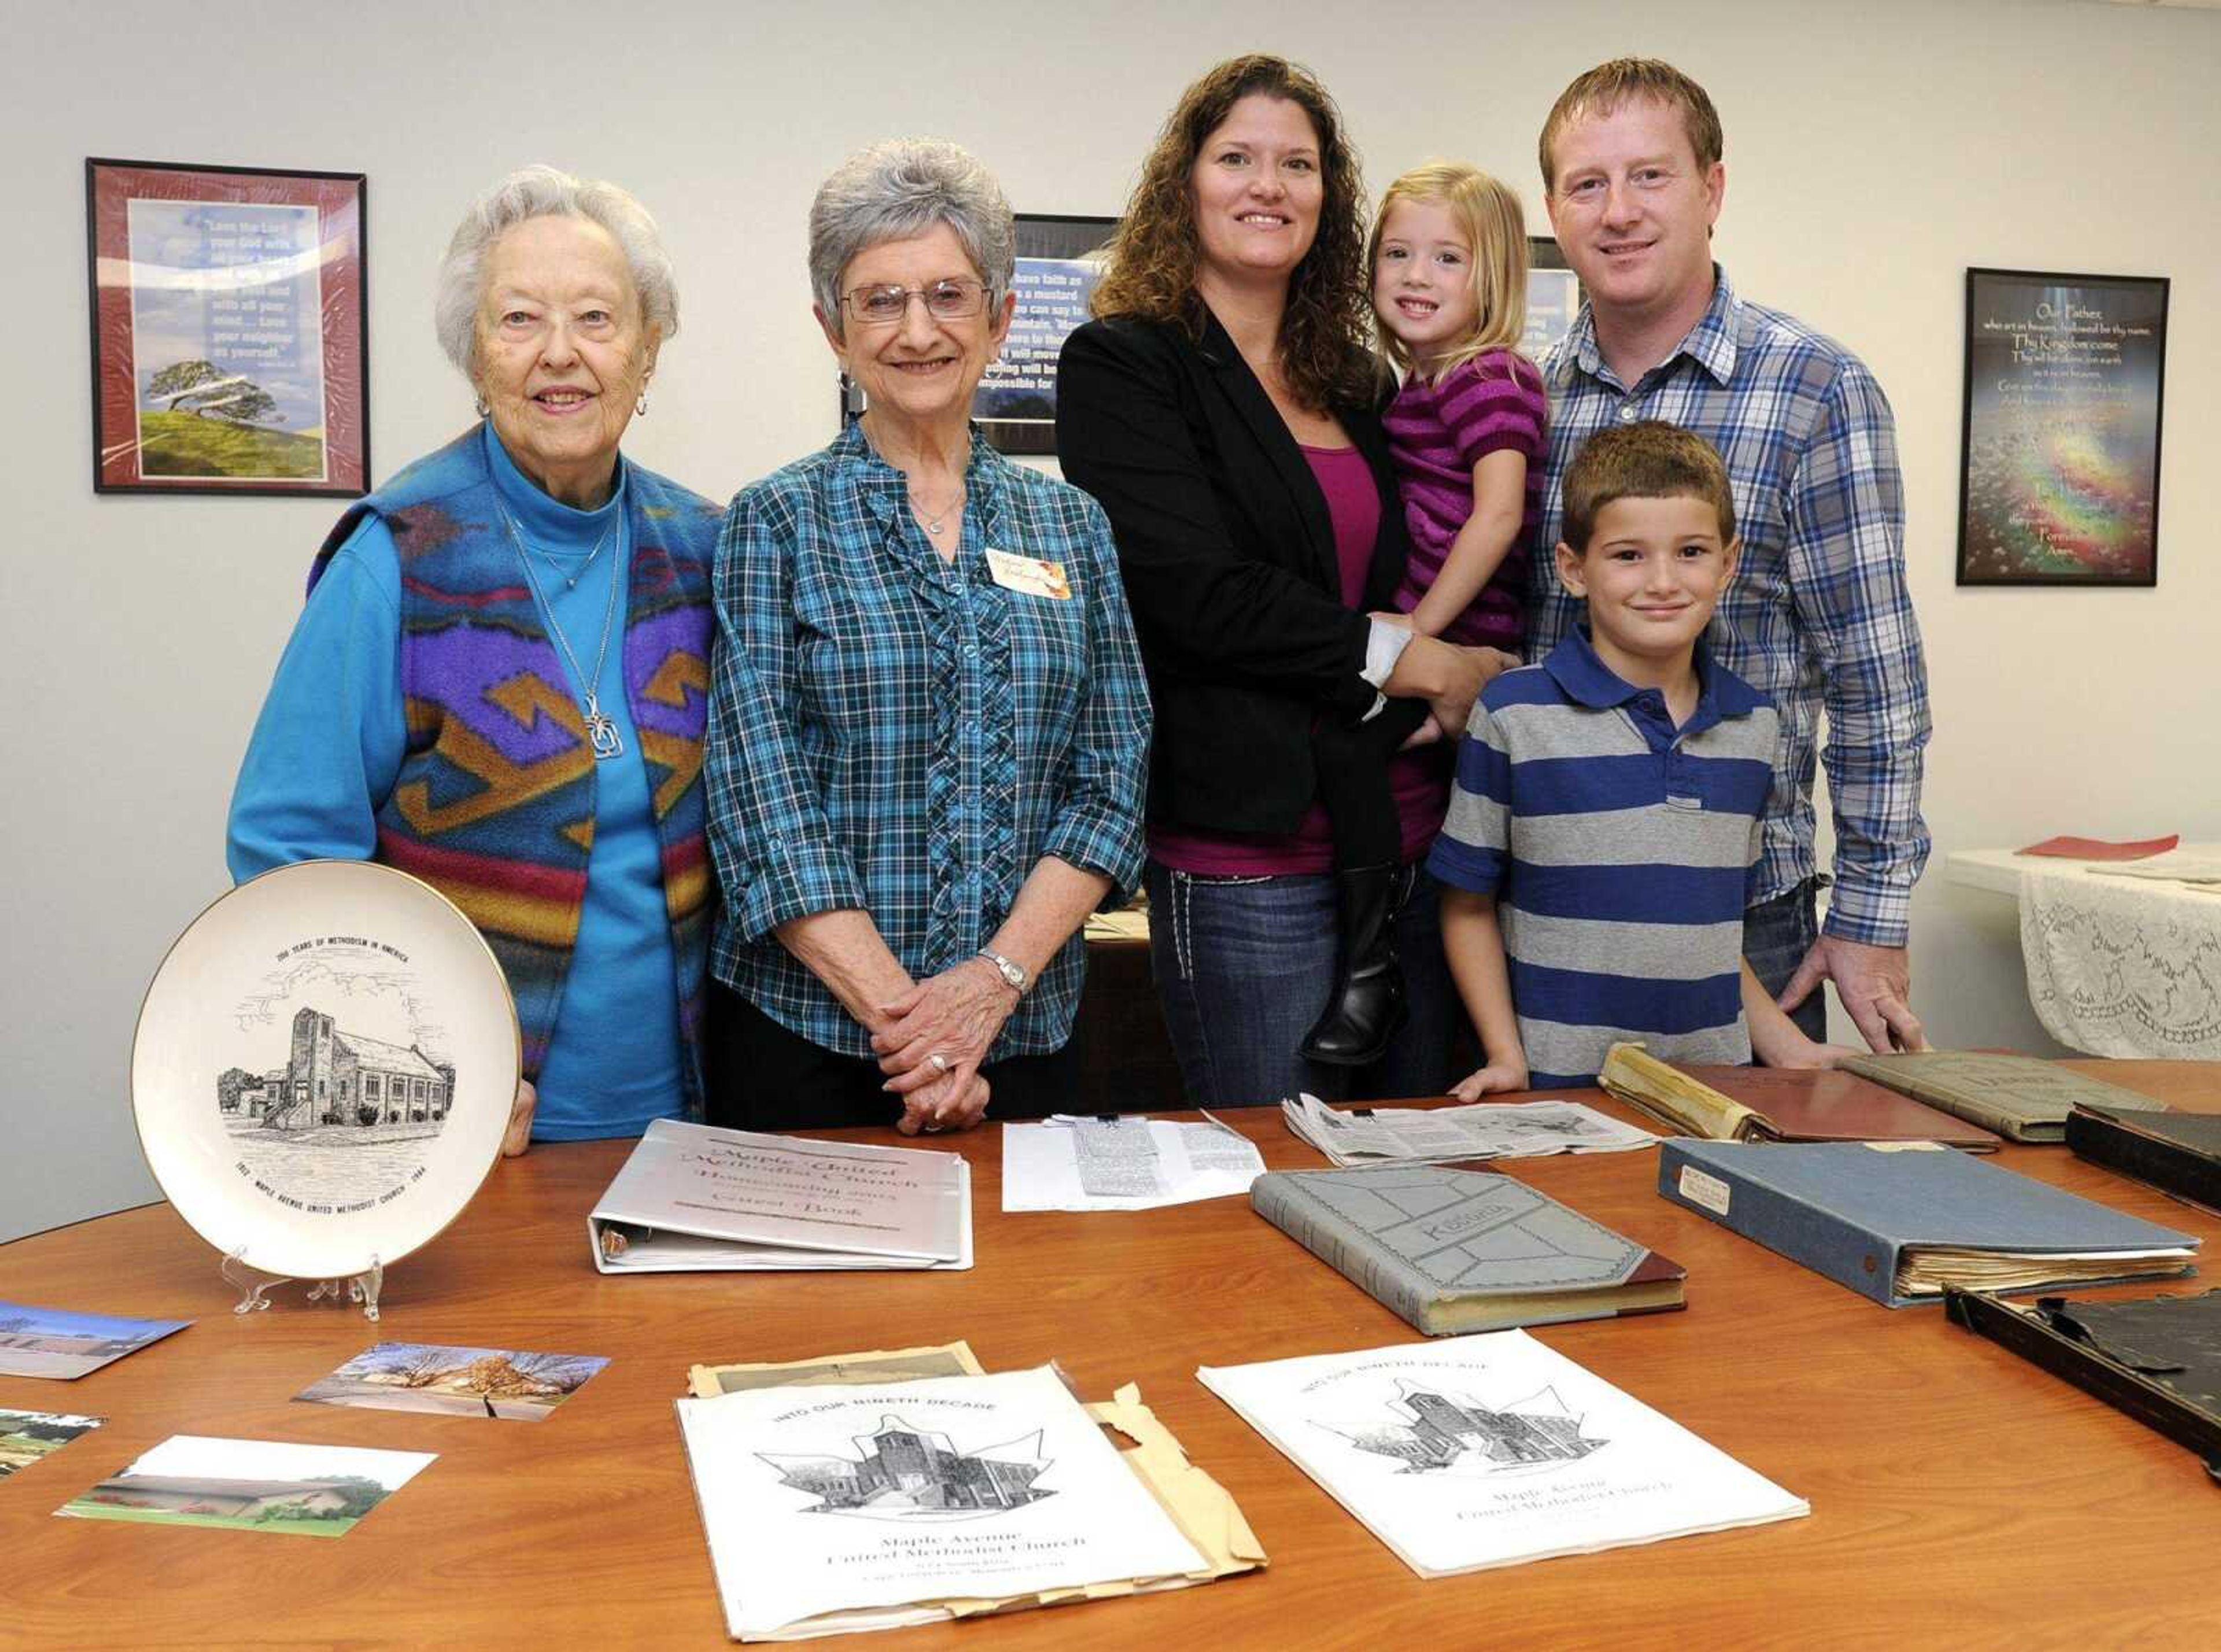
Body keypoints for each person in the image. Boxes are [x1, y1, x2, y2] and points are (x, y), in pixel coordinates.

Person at [228, 166, 722, 1156]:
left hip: (701, 1116)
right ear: (475, 355)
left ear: (649, 348)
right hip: (476, 1133)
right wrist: (430, 1061)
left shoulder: (706, 546)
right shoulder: (396, 557)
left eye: (596, 318)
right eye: (519, 320)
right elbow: (288, 849)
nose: (561, 355)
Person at [1057, 54, 1503, 1110]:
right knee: (1284, 1185)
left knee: (1425, 1172)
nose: (1269, 185)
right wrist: (1415, 658)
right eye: (1238, 158)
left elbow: (1432, 546)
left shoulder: (1358, 379)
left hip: (1416, 841)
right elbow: (1194, 594)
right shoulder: (1125, 365)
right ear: (1187, 183)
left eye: (1297, 164)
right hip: (1249, 858)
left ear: (1327, 196)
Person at [703, 139, 1151, 1136]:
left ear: (998, 318)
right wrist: (918, 1034)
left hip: (1023, 1038)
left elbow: (1112, 782)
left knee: (1024, 1297)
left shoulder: (1071, 526)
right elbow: (761, 805)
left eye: (948, 295)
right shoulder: (773, 522)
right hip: (807, 1042)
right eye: (880, 299)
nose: (917, 331)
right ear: (832, 328)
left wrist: (989, 989)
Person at [1528, 58, 1931, 1052]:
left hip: (1748, 908)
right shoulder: (1527, 406)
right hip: (1552, 900)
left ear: (1713, 187)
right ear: (1554, 207)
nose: (1618, 211)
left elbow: (1875, 678)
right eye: (1588, 184)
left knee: (1750, 1197)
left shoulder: (1816, 389)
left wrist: (1871, 916)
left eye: (1650, 176)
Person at [1430, 422, 1851, 1091]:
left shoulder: (1752, 726)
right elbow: (1467, 906)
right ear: (1574, 569)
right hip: (1561, 1089)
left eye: (1690, 552)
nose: (1662, 582)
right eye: (1628, 555)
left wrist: (1786, 1045)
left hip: (1716, 1093)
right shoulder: (1515, 714)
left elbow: (1710, 930)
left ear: (1729, 563)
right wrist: (1505, 1057)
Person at [1299, 161, 1548, 1065]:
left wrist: (1422, 634)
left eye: (1448, 258)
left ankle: (1371, 974)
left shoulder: (1487, 377)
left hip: (1465, 637)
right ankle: (1383, 968)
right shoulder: (1410, 385)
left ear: (1495, 280)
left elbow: (1499, 514)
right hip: (1432, 631)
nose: (1416, 275)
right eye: (1397, 253)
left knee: (1347, 748)